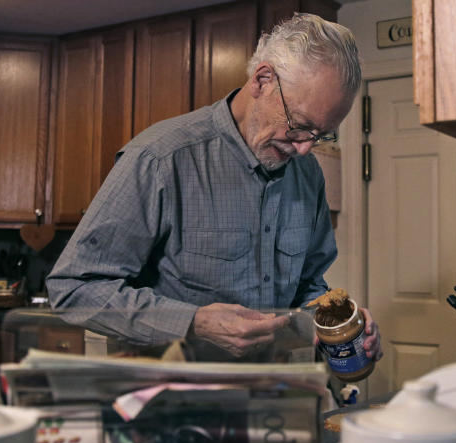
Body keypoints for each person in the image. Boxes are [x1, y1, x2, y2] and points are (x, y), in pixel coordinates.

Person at [47, 13, 382, 364]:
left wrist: (341, 323)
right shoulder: (161, 159)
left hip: (274, 394)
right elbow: (73, 288)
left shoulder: (307, 172)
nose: (304, 149)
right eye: (299, 126)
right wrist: (193, 322)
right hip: (175, 400)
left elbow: (308, 286)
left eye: (322, 135)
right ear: (263, 80)